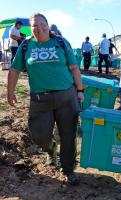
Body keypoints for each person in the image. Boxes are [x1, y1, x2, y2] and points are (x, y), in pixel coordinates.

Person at [7, 13, 84, 186]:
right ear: (31, 28)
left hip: (66, 97)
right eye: (35, 25)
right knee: (39, 136)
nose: (39, 28)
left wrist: (80, 90)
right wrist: (10, 92)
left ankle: (68, 169)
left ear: (48, 26)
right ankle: (51, 150)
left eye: (42, 24)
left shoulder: (61, 43)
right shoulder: (26, 46)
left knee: (68, 135)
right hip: (40, 100)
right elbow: (14, 70)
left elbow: (74, 68)